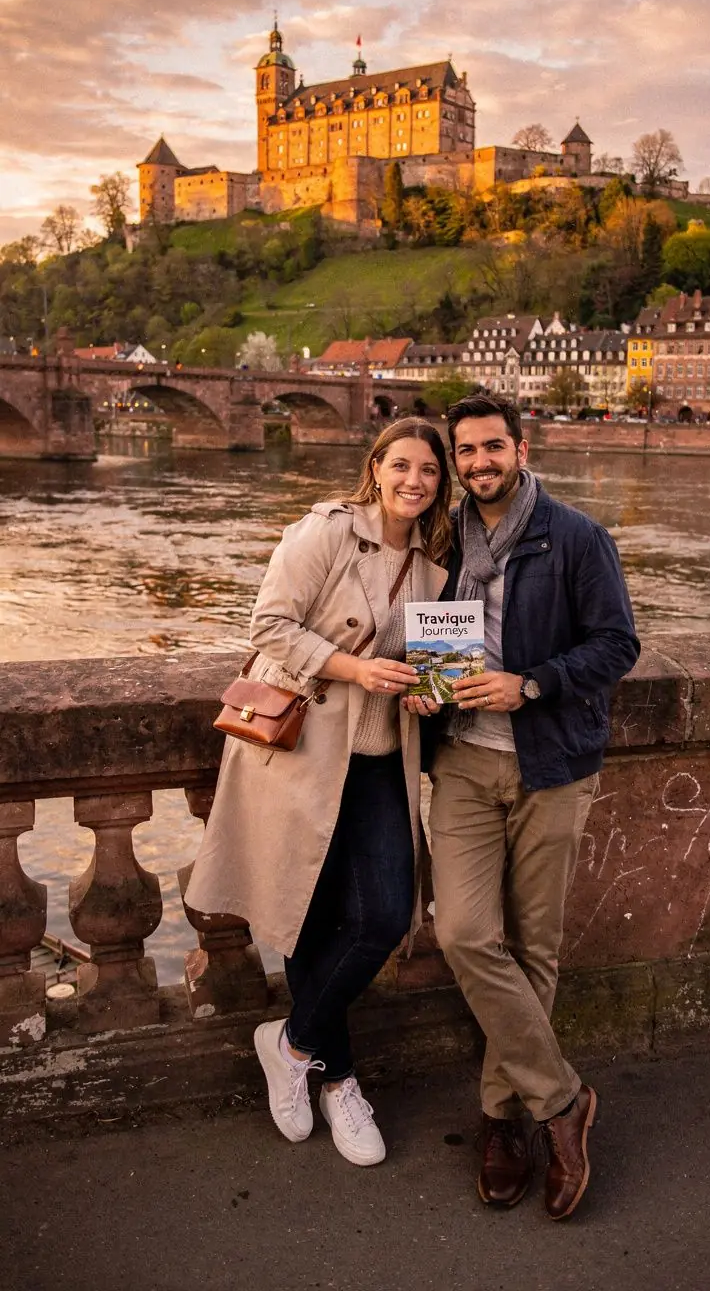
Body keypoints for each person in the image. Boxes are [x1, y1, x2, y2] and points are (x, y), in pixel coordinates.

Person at [186, 418, 451, 1166]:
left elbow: (435, 663)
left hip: (377, 762)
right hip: (304, 754)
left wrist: (432, 693)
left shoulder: (436, 564)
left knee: (384, 916)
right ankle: (340, 1082)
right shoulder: (329, 532)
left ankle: (291, 1044)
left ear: (441, 482)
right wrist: (355, 669)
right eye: (401, 465)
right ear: (377, 467)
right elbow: (268, 624)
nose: (415, 481)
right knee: (312, 920)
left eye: (429, 470)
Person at [410, 393, 639, 1219]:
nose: (478, 464)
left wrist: (531, 683)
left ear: (520, 447)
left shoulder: (575, 536)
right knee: (465, 932)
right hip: (466, 764)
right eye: (465, 453)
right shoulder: (440, 538)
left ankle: (504, 1120)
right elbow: (423, 631)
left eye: (491, 449)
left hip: (551, 763)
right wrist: (424, 688)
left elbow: (618, 644)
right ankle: (564, 1101)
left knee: (534, 949)